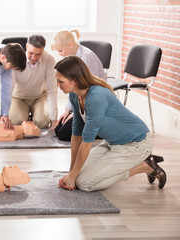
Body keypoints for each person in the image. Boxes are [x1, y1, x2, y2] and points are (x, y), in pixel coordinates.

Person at [54, 56, 166, 192]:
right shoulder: (74, 95)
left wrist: (73, 177)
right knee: (77, 175)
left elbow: (87, 141)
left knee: (84, 183)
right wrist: (71, 173)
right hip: (111, 143)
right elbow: (77, 132)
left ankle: (145, 166)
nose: (57, 85)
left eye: (61, 82)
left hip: (135, 143)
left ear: (75, 81)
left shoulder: (96, 97)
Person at [51, 29, 107, 141]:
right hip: (82, 102)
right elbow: (75, 88)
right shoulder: (72, 57)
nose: (59, 54)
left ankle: (104, 130)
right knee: (58, 129)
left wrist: (76, 113)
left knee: (63, 134)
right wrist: (68, 110)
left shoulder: (87, 58)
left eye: (61, 50)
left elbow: (91, 90)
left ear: (70, 44)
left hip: (94, 103)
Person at [9, 34, 58, 129]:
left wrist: (54, 120)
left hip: (39, 97)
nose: (34, 58)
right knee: (16, 121)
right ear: (26, 46)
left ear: (43, 49)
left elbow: (52, 90)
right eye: (31, 53)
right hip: (19, 97)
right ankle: (26, 117)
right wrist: (4, 114)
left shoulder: (49, 60)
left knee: (43, 122)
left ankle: (32, 118)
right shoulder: (17, 59)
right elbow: (9, 88)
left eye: (38, 54)